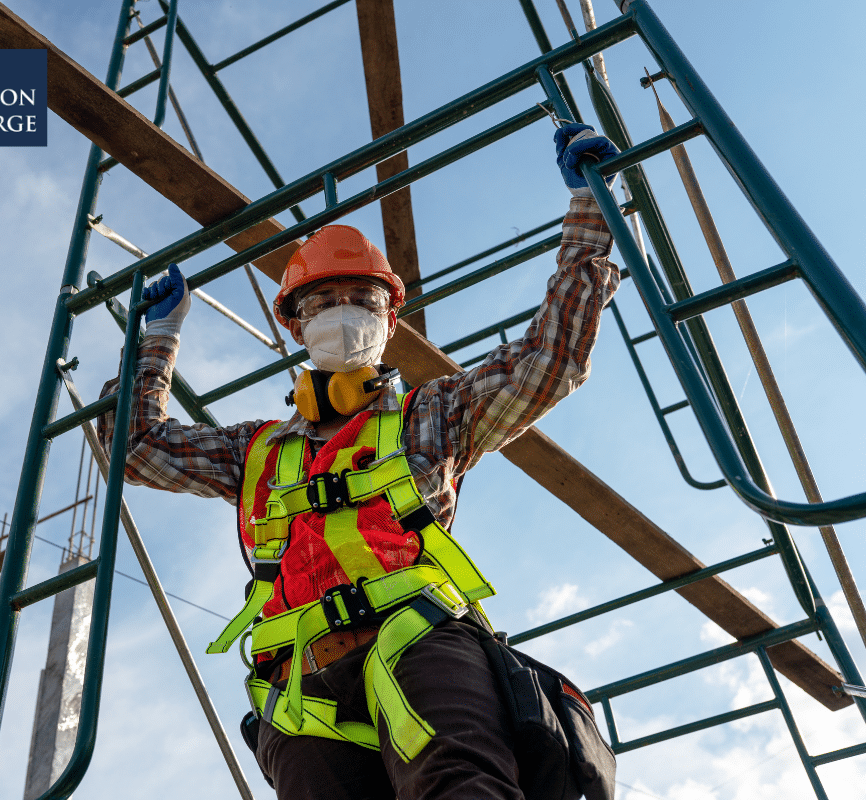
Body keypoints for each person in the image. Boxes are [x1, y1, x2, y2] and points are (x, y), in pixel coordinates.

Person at [98, 123, 621, 800]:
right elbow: (136, 450)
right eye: (323, 301)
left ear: (390, 321)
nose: (342, 313)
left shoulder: (431, 418)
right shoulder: (254, 451)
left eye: (362, 301)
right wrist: (156, 341)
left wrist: (588, 220)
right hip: (299, 685)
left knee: (461, 788)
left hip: (421, 643)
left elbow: (547, 363)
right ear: (295, 323)